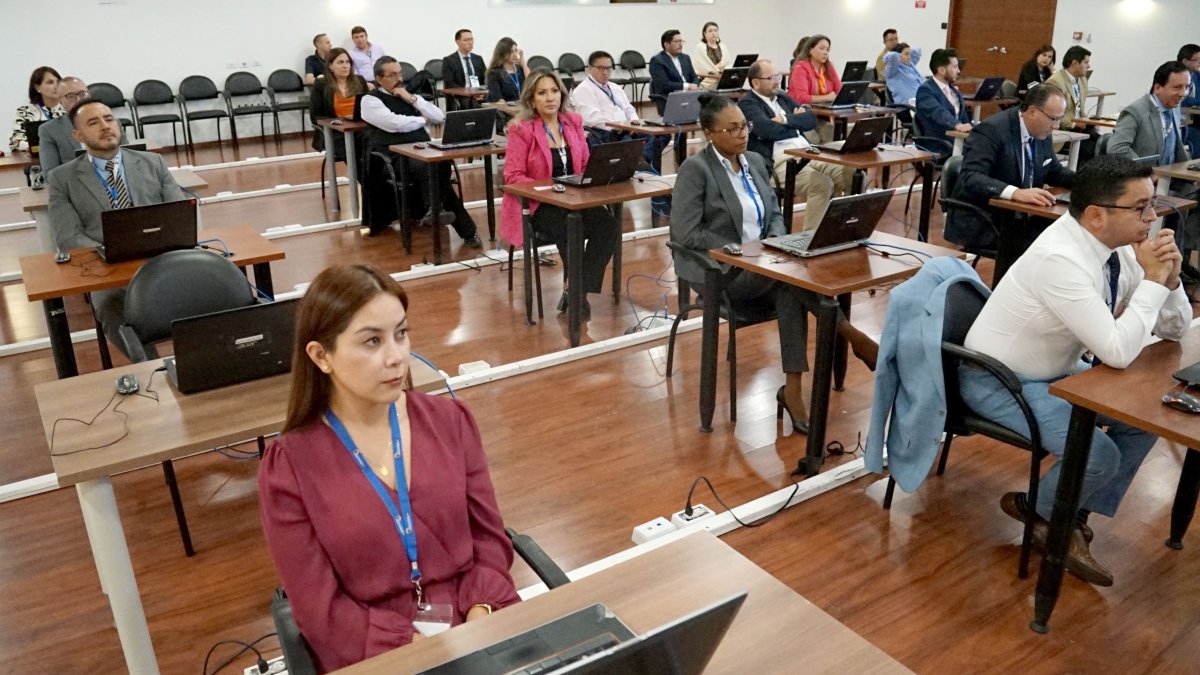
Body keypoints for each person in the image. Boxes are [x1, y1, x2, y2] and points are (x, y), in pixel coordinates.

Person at [259, 263, 520, 673]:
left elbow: (490, 540)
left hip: (475, 622)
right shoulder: (290, 467)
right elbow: (320, 610)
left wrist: (479, 617)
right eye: (372, 342)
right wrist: (421, 651)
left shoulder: (450, 421)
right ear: (320, 356)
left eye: (401, 334)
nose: (396, 356)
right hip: (372, 650)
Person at [959, 155, 1190, 587]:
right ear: (1097, 215)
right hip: (999, 380)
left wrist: (1171, 280)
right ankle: (1045, 514)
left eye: (1153, 203)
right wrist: (1154, 284)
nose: (1153, 217)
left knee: (1145, 419)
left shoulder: (1116, 247)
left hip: (1059, 375)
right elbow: (1118, 350)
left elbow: (1173, 329)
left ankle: (1061, 514)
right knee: (1097, 456)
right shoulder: (1059, 259)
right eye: (1140, 207)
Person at [672, 93, 816, 432]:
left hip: (766, 264)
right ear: (710, 133)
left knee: (790, 289)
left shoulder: (753, 160)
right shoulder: (696, 169)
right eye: (733, 128)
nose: (743, 134)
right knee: (795, 280)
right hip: (723, 272)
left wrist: (775, 241)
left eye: (745, 126)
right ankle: (850, 335)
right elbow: (686, 234)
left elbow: (776, 212)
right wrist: (744, 248)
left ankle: (793, 389)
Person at [47, 100, 185, 356]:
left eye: (109, 119)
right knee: (111, 305)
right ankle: (151, 367)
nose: (105, 126)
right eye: (93, 122)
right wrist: (112, 253)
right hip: (106, 267)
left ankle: (199, 361)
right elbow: (68, 237)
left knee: (209, 283)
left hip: (162, 258)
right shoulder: (61, 179)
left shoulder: (153, 162)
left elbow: (179, 214)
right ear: (78, 135)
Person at [500, 68, 619, 319]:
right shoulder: (521, 129)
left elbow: (586, 163)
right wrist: (549, 188)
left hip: (574, 198)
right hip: (539, 204)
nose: (550, 97)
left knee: (608, 225)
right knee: (570, 228)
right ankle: (579, 297)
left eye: (554, 91)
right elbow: (513, 176)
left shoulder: (572, 122)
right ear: (532, 99)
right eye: (542, 93)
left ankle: (575, 288)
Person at [362, 56, 482, 247]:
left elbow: (439, 116)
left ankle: (432, 210)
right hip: (393, 155)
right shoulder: (370, 100)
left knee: (441, 160)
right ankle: (464, 229)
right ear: (379, 78)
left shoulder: (409, 96)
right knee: (437, 172)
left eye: (400, 73)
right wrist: (421, 121)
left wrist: (412, 99)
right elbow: (394, 124)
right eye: (392, 75)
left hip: (421, 149)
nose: (398, 78)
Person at [948, 86, 1075, 257]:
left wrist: (1089, 181)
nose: (1056, 125)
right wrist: (1015, 193)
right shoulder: (992, 130)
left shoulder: (1042, 132)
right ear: (1032, 112)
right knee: (1049, 249)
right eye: (1053, 118)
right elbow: (971, 177)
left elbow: (1054, 172)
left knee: (1069, 235)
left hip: (1022, 218)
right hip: (987, 219)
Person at [738, 59, 852, 229]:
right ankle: (811, 240)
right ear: (756, 82)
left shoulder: (783, 97)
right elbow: (765, 130)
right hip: (780, 162)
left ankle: (843, 228)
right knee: (822, 184)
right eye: (772, 78)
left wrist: (784, 120)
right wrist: (795, 123)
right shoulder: (747, 104)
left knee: (852, 173)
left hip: (808, 153)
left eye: (778, 76)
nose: (778, 80)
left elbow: (810, 120)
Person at [1109, 61, 1197, 277]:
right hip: (1140, 184)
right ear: (1157, 87)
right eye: (1176, 87)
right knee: (1182, 205)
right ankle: (1159, 262)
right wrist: (1146, 175)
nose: (1182, 93)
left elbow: (1176, 147)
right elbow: (1117, 148)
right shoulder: (1136, 111)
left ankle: (1178, 259)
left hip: (1166, 180)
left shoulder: (1173, 109)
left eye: (1186, 87)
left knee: (1194, 197)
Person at [569, 50, 665, 166]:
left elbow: (629, 108)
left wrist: (634, 122)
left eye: (609, 68)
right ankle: (638, 163)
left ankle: (642, 160)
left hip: (625, 127)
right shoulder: (583, 90)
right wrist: (620, 126)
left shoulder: (614, 87)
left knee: (660, 135)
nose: (606, 72)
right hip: (604, 131)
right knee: (627, 142)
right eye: (601, 68)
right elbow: (593, 119)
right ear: (589, 68)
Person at [39, 77, 128, 174]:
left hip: (117, 177)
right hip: (75, 183)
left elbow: (129, 157)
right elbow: (50, 173)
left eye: (82, 94)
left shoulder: (112, 123)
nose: (78, 99)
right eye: (70, 96)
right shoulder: (49, 130)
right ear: (61, 101)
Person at [309, 48, 370, 154]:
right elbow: (315, 116)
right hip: (336, 131)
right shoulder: (321, 84)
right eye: (340, 62)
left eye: (347, 62)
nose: (345, 66)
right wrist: (337, 123)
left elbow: (369, 106)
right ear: (330, 66)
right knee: (355, 146)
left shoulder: (359, 80)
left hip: (360, 127)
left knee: (372, 141)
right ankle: (359, 170)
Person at [914, 48, 972, 160]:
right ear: (941, 70)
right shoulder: (926, 90)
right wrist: (957, 125)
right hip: (940, 144)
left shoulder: (954, 91)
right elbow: (938, 112)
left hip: (960, 142)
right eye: (955, 67)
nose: (959, 71)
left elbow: (964, 119)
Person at [1045, 46, 1093, 156]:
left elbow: (1079, 109)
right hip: (1063, 131)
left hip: (1079, 128)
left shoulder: (1083, 80)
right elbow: (1049, 116)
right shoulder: (1055, 81)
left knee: (1103, 143)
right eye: (1086, 62)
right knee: (1089, 150)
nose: (1088, 66)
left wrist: (1088, 121)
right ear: (1075, 63)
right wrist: (1074, 124)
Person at [11, 66, 64, 152]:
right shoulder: (25, 112)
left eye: (58, 82)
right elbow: (17, 142)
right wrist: (48, 147)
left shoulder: (70, 110)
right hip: (37, 160)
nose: (56, 86)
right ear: (37, 87)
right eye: (50, 82)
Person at [649, 29, 700, 115]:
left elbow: (694, 77)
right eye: (676, 41)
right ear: (666, 44)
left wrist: (695, 85)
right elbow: (664, 85)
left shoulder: (685, 58)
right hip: (671, 98)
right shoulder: (657, 60)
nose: (680, 44)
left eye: (681, 41)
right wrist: (687, 86)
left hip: (690, 96)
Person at [787, 35, 841, 105]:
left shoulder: (828, 66)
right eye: (822, 48)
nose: (825, 53)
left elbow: (839, 91)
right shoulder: (800, 68)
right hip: (803, 110)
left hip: (824, 109)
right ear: (811, 50)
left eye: (827, 49)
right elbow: (802, 98)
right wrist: (827, 98)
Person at [442, 29, 487, 111]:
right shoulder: (449, 60)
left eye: (471, 39)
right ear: (457, 42)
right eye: (466, 40)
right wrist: (469, 94)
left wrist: (481, 93)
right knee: (471, 104)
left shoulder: (478, 59)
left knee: (495, 100)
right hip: (462, 96)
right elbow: (450, 83)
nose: (470, 43)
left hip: (479, 93)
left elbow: (486, 79)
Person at [484, 37, 530, 105]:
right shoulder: (494, 72)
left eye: (516, 50)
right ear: (503, 53)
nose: (515, 54)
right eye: (511, 52)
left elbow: (532, 81)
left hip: (521, 106)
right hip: (504, 108)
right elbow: (498, 99)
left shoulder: (520, 69)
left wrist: (523, 62)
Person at [693, 21, 732, 91]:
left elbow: (728, 64)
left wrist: (721, 70)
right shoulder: (700, 47)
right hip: (707, 82)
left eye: (715, 30)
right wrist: (717, 68)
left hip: (722, 81)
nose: (713, 33)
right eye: (710, 31)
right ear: (705, 33)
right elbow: (701, 66)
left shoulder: (723, 47)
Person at [883, 43, 923, 107]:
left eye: (909, 54)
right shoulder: (892, 71)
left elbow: (918, 51)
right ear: (898, 55)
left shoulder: (910, 65)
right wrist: (896, 54)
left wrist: (907, 50)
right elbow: (893, 56)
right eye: (906, 54)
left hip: (922, 102)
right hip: (908, 107)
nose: (909, 57)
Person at [1179, 44, 1200, 158]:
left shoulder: (1196, 75)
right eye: (1195, 60)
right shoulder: (1177, 75)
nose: (1199, 63)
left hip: (1194, 120)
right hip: (1182, 123)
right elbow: (1184, 100)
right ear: (1185, 61)